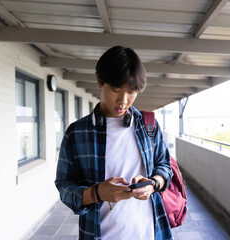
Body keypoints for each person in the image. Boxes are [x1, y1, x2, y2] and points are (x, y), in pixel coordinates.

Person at [55, 46, 173, 240]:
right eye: (116, 90)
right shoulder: (77, 132)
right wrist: (96, 193)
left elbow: (165, 167)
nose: (123, 101)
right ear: (100, 82)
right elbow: (64, 187)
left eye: (132, 92)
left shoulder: (148, 125)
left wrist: (152, 185)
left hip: (149, 233)